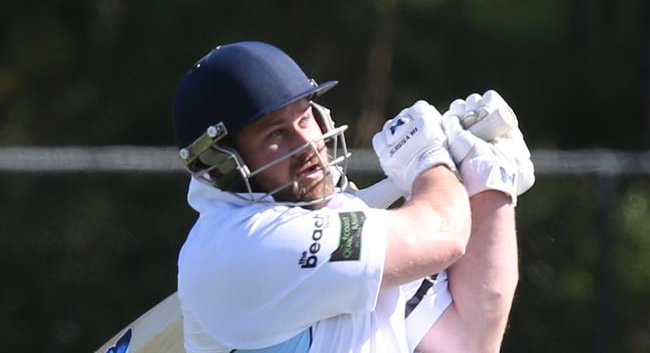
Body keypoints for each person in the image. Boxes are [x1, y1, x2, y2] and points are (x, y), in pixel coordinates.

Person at [171, 41, 534, 353]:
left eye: (304, 118)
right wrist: (430, 159)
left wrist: (489, 181)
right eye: (275, 134)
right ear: (222, 163)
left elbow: (468, 342)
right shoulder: (242, 247)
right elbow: (443, 234)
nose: (307, 144)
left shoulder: (343, 223)